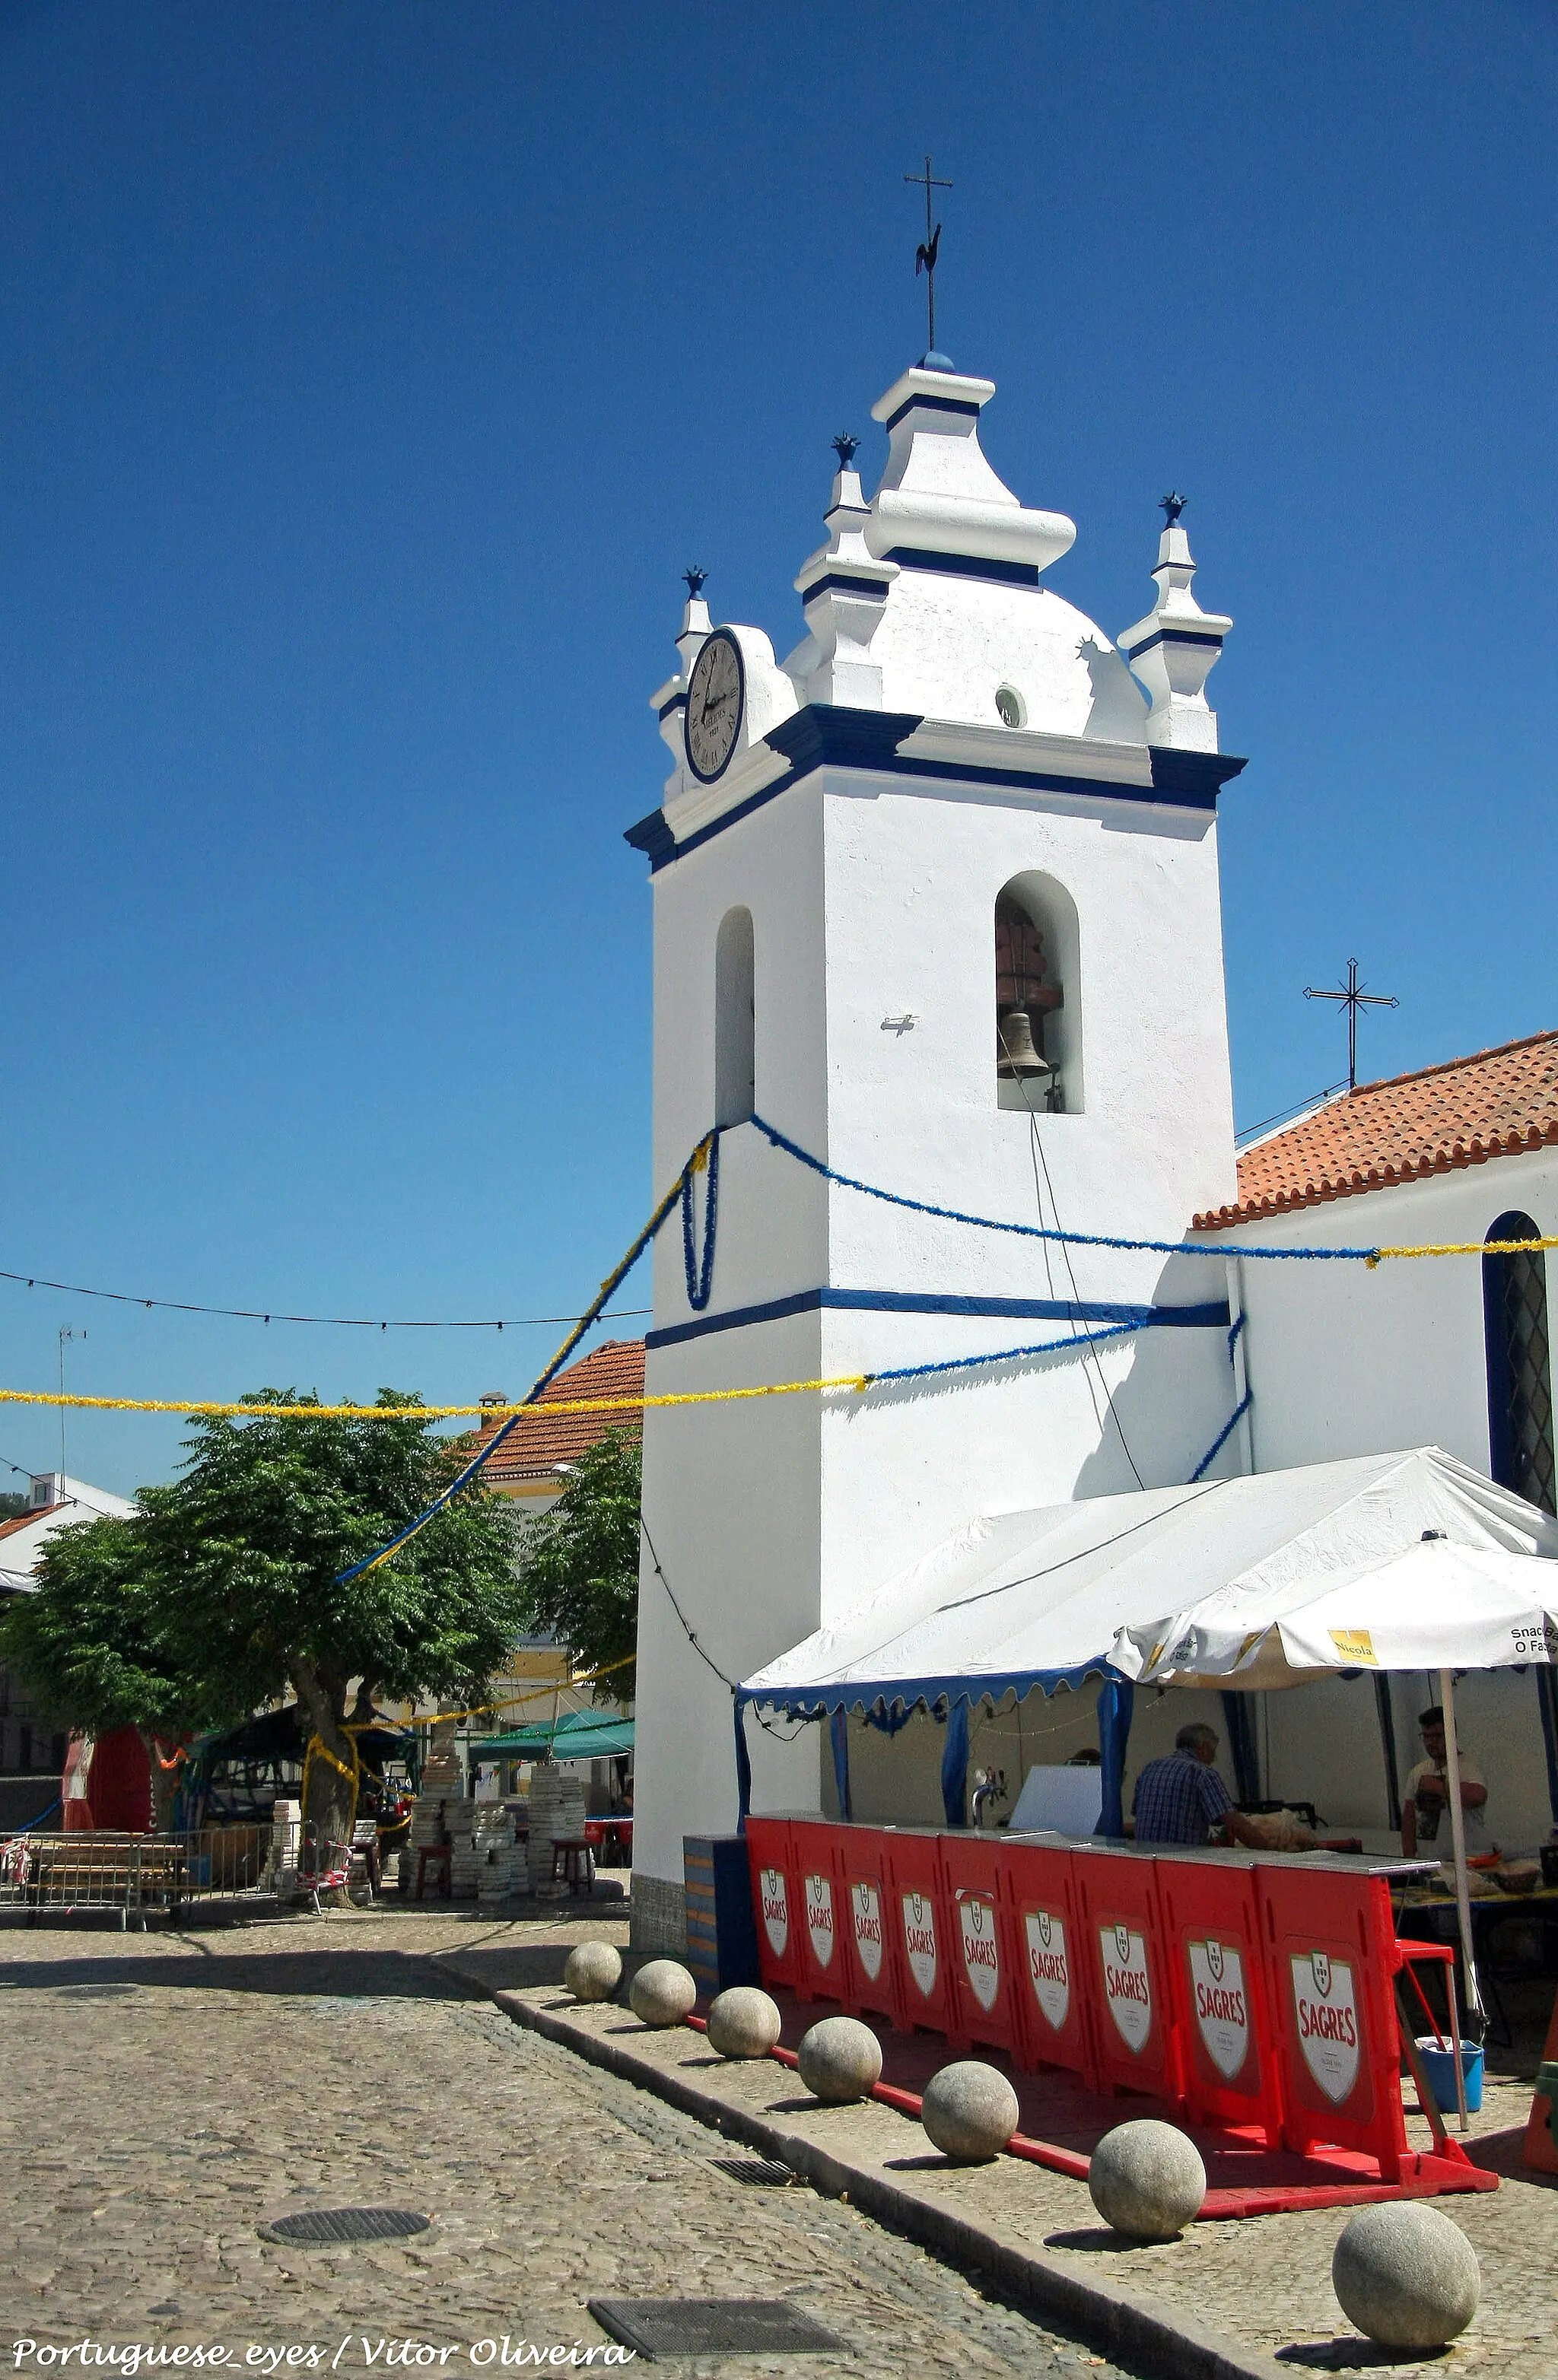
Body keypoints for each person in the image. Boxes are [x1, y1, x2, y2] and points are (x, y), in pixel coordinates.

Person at [1131, 1722, 1268, 1849]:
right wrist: (1272, 1855)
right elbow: (1237, 1826)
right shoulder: (1202, 1773)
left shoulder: (1150, 1768)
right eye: (1214, 1751)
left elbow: (1143, 1820)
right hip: (1182, 1863)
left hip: (1146, 1863)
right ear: (1204, 1748)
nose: (1214, 1759)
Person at [1401, 1705, 1490, 1857]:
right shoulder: (1417, 1772)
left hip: (1470, 1860)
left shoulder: (1467, 1767)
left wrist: (1438, 1787)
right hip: (1430, 1861)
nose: (1431, 1742)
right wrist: (1408, 1862)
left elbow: (1478, 1796)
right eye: (1426, 1736)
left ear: (1451, 1734)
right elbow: (1409, 1820)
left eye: (1437, 1736)